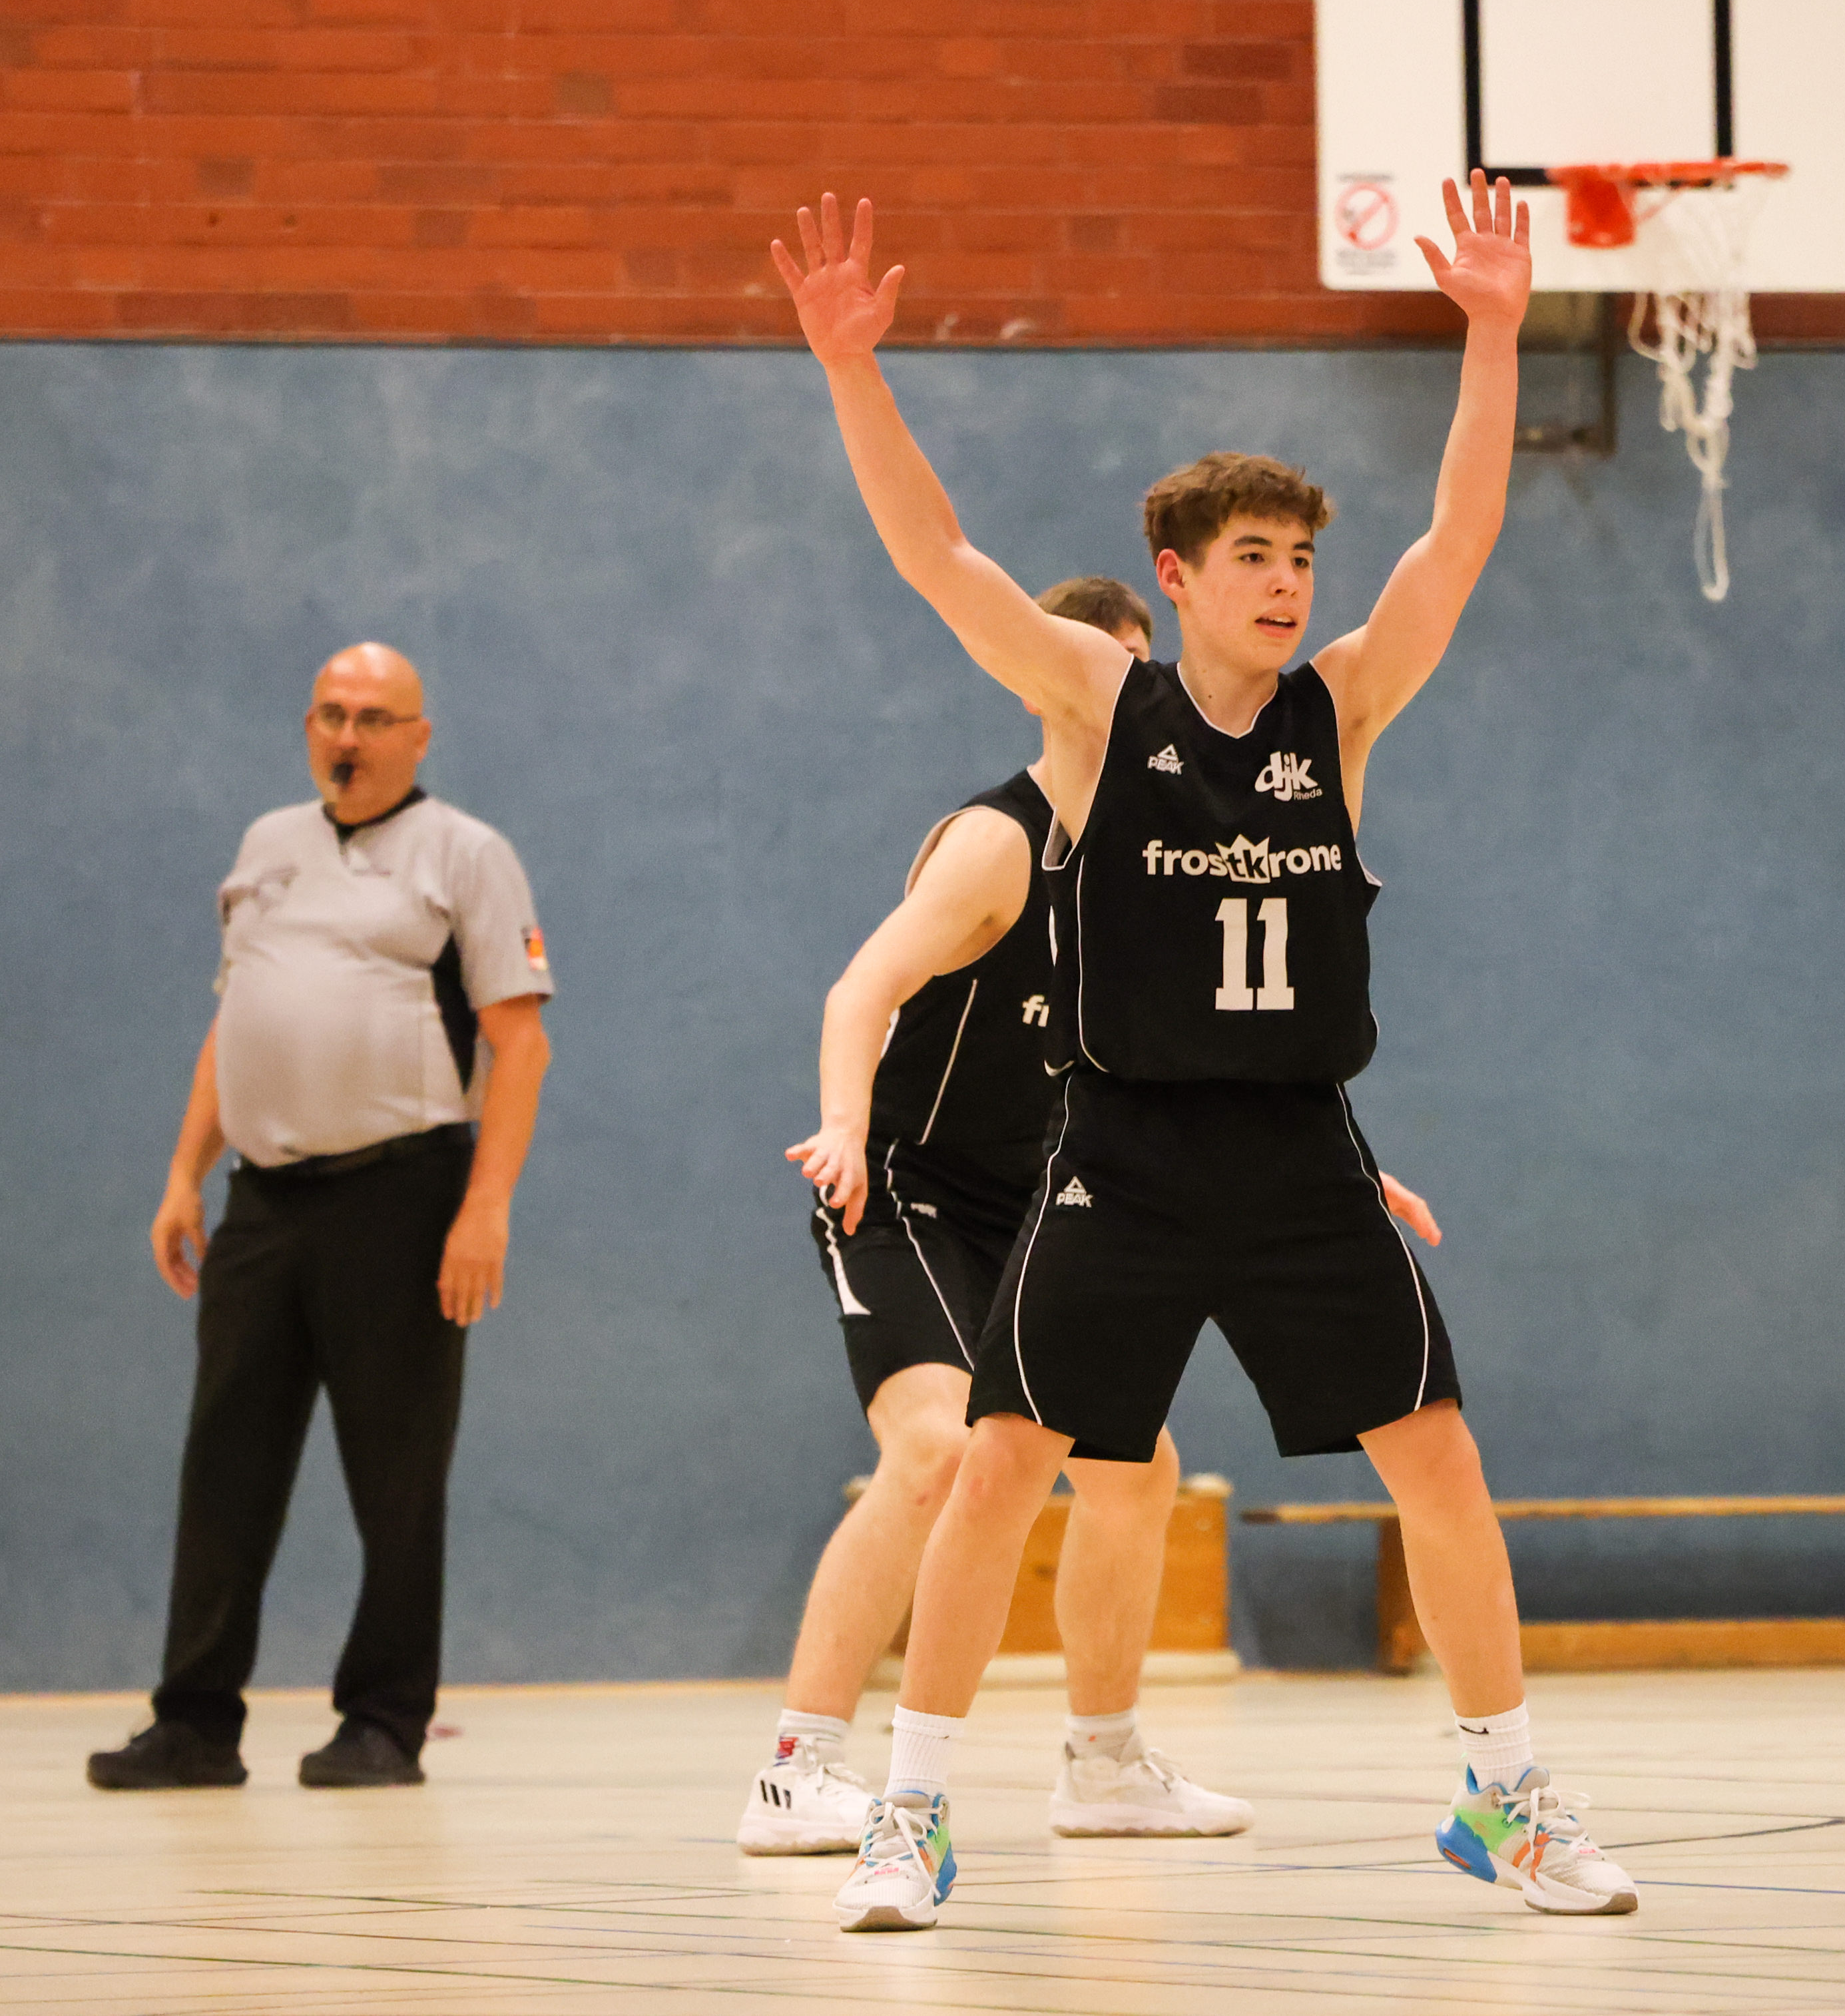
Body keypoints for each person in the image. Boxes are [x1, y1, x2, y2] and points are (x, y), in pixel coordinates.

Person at [770, 175, 1635, 1933]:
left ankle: (1505, 1798)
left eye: (1300, 558)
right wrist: (855, 370)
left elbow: (1460, 534)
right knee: (1000, 1467)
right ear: (1173, 579)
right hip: (1128, 1153)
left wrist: (1490, 333)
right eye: (1254, 557)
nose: (1287, 583)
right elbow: (940, 560)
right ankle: (908, 1813)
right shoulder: (1106, 709)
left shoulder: (1345, 704)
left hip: (1301, 1146)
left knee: (1440, 1461)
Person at [747, 576, 1448, 1856]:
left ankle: (1105, 1764)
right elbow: (862, 987)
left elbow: (1221, 1052)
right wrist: (842, 1122)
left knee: (1138, 1475)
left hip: (1056, 1195)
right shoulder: (998, 843)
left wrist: (1346, 1171)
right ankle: (800, 1767)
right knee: (935, 1452)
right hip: (911, 1193)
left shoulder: (1173, 852)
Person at [90, 643, 555, 1793]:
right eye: (331, 715)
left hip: (401, 1198)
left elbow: (520, 1044)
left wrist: (484, 1209)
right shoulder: (267, 848)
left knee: (396, 1472)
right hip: (263, 1201)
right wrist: (184, 1174)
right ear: (308, 726)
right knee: (225, 1464)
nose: (348, 737)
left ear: (418, 736)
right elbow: (235, 1018)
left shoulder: (466, 855)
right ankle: (195, 1724)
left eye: (373, 718)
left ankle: (384, 1722)